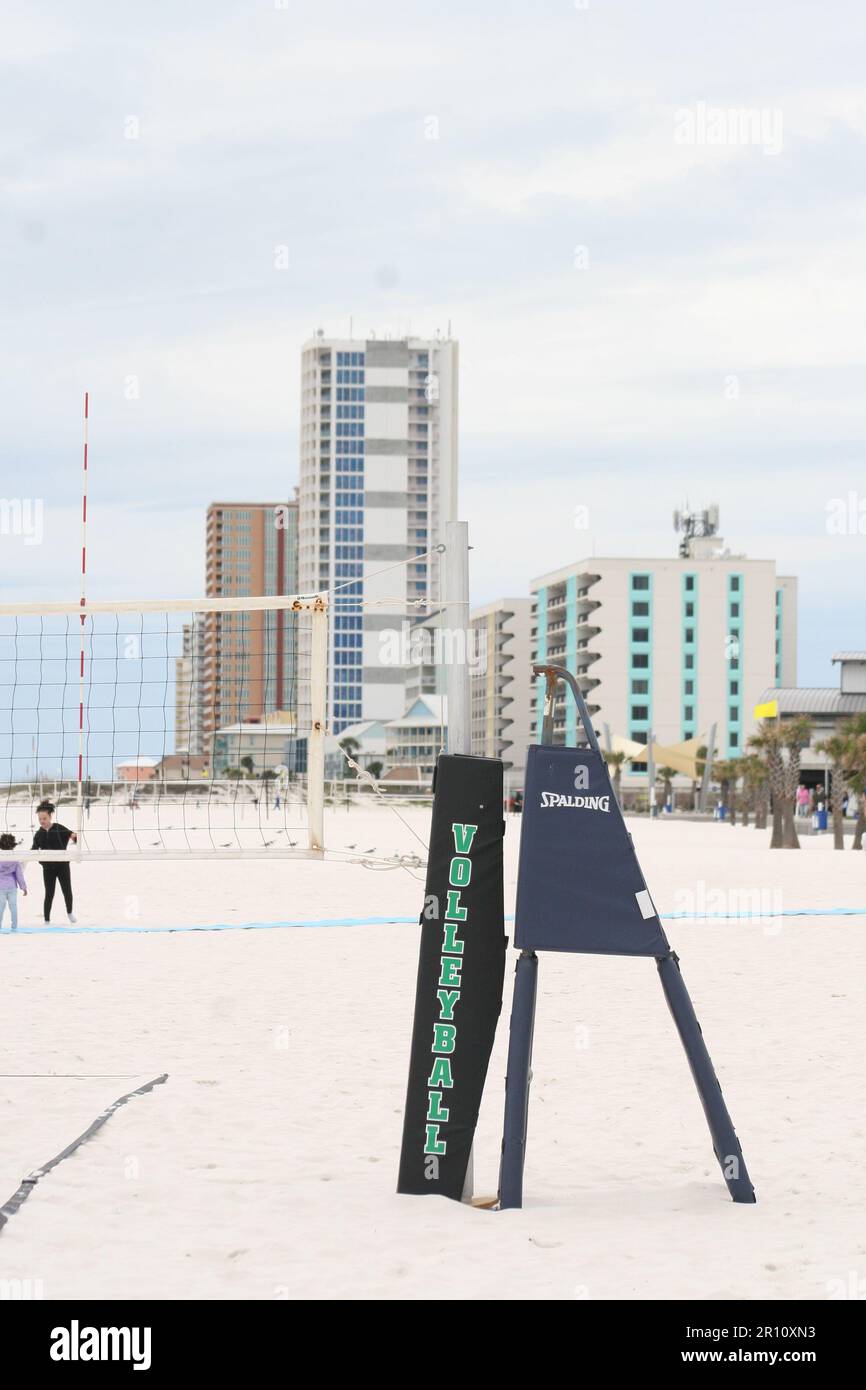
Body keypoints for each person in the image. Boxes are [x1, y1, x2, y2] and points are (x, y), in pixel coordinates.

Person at [31, 800, 77, 924]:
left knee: (67, 890)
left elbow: (73, 836)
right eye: (40, 819)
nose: (42, 821)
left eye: (44, 818)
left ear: (50, 816)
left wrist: (75, 837)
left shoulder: (58, 828)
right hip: (48, 869)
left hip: (63, 866)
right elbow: (33, 851)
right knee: (49, 893)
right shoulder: (39, 834)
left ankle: (70, 912)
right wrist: (40, 861)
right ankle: (46, 920)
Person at [0, 834, 27, 930]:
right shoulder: (15, 860)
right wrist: (23, 887)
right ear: (13, 846)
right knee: (13, 907)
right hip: (12, 887)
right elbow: (19, 875)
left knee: (1, 908)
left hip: (1, 887)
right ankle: (14, 927)